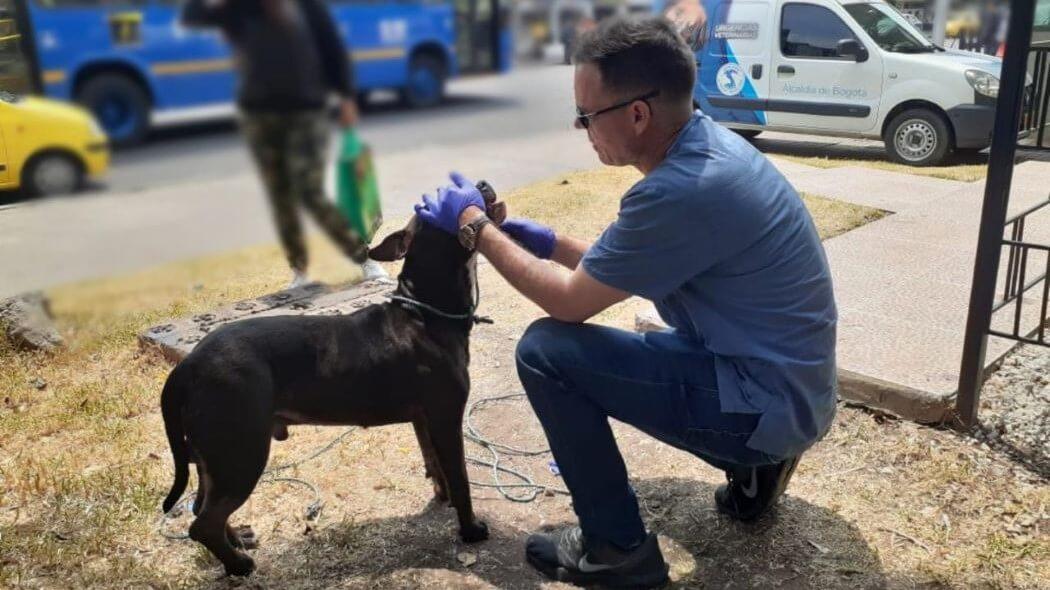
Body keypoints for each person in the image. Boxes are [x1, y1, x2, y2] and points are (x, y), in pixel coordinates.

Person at [415, 16, 837, 589]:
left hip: (766, 401)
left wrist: (475, 230)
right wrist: (542, 240)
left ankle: (617, 550)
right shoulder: (709, 150)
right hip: (790, 387)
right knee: (659, 343)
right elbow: (629, 267)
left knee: (546, 351)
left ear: (637, 115)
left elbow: (568, 305)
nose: (582, 128)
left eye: (587, 116)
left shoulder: (680, 190)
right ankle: (757, 469)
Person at [182, 0, 387, 288]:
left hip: (307, 110)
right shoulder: (241, 8)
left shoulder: (307, 7)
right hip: (259, 114)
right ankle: (299, 271)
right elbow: (193, 16)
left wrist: (346, 97)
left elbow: (332, 48)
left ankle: (363, 258)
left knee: (308, 190)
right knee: (279, 194)